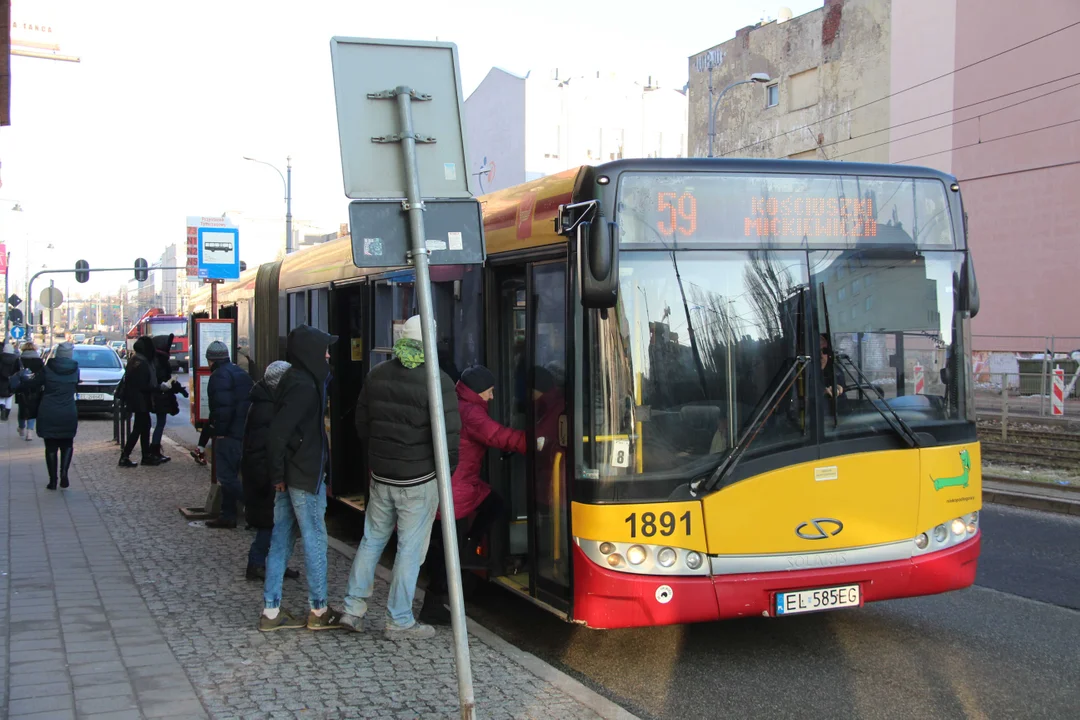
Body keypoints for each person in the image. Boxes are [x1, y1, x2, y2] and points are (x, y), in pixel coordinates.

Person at [341, 315, 460, 639]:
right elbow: (448, 439)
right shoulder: (439, 381)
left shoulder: (376, 375)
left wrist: (381, 458)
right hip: (419, 481)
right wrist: (445, 476)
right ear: (431, 341)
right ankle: (399, 620)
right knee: (410, 549)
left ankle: (353, 609)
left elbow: (361, 425)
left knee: (371, 541)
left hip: (382, 478)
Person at [421, 364, 524, 625]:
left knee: (494, 504)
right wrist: (534, 441)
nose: (492, 396)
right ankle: (433, 605)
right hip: (454, 491)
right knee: (448, 551)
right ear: (478, 391)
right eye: (489, 392)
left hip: (459, 485)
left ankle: (467, 547)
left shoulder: (459, 403)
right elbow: (497, 436)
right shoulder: (471, 413)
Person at [259, 325, 342, 632]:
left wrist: (279, 475)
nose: (329, 354)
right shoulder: (304, 387)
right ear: (311, 352)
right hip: (303, 477)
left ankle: (271, 612)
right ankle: (319, 610)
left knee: (281, 540)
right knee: (315, 539)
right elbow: (279, 434)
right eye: (324, 349)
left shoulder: (299, 381)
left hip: (293, 474)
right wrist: (279, 474)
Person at [241, 359, 299, 582]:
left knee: (276, 525)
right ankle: (256, 564)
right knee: (270, 525)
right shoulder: (267, 408)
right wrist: (271, 479)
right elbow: (259, 451)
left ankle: (276, 564)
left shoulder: (266, 402)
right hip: (266, 479)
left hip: (266, 476)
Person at [202, 340, 253, 530]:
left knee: (227, 477)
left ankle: (255, 506)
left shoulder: (219, 376)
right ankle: (228, 515)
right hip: (243, 432)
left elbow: (223, 409)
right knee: (234, 475)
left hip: (229, 434)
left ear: (211, 360)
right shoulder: (240, 372)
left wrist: (220, 432)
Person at [23, 342, 79, 490]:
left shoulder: (47, 369)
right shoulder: (75, 369)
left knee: (51, 446)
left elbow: (34, 383)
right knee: (67, 443)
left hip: (49, 410)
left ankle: (53, 480)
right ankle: (64, 473)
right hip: (68, 410)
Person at [119, 336, 161, 468]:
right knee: (138, 429)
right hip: (140, 400)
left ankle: (145, 455)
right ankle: (125, 456)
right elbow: (143, 385)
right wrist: (159, 388)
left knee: (144, 427)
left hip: (137, 400)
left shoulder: (135, 360)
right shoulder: (142, 363)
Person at [149, 334, 180, 463]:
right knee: (160, 424)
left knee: (160, 423)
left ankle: (154, 449)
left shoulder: (156, 359)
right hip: (160, 395)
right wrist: (171, 384)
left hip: (160, 395)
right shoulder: (160, 361)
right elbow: (163, 379)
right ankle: (155, 450)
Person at [17, 342, 44, 441]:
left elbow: (16, 374)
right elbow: (42, 374)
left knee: (22, 408)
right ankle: (30, 432)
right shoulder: (39, 360)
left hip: (22, 387)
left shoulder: (20, 360)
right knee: (33, 409)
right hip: (35, 388)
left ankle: (21, 428)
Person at [0, 342, 21, 421]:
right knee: (9, 398)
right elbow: (19, 370)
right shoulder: (16, 358)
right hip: (11, 380)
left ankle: (2, 409)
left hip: (1, 380)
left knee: (1, 397)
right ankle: (6, 415)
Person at [820, 334, 845, 398]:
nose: (821, 356)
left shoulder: (836, 373)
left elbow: (843, 403)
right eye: (817, 351)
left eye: (825, 351)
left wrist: (837, 389)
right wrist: (822, 392)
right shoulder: (799, 374)